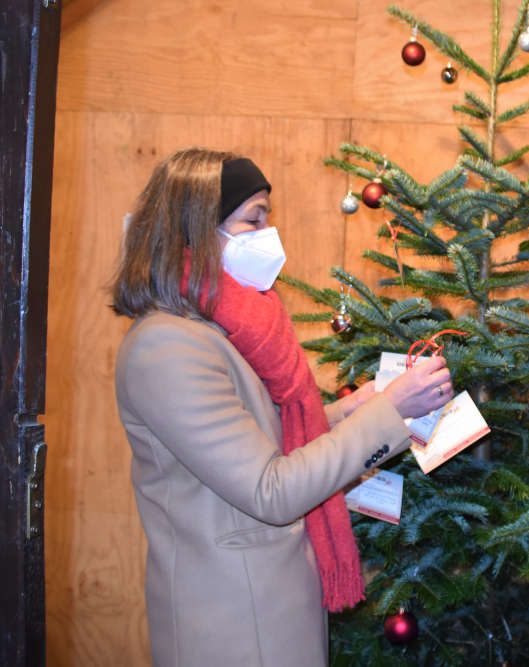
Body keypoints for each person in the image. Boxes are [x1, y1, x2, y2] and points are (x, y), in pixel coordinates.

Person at [111, 148, 453, 666]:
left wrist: (363, 406)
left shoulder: (217, 327)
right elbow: (270, 488)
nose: (268, 235)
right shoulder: (168, 346)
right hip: (236, 622)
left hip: (267, 605)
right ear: (198, 228)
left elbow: (265, 431)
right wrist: (392, 415)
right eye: (254, 219)